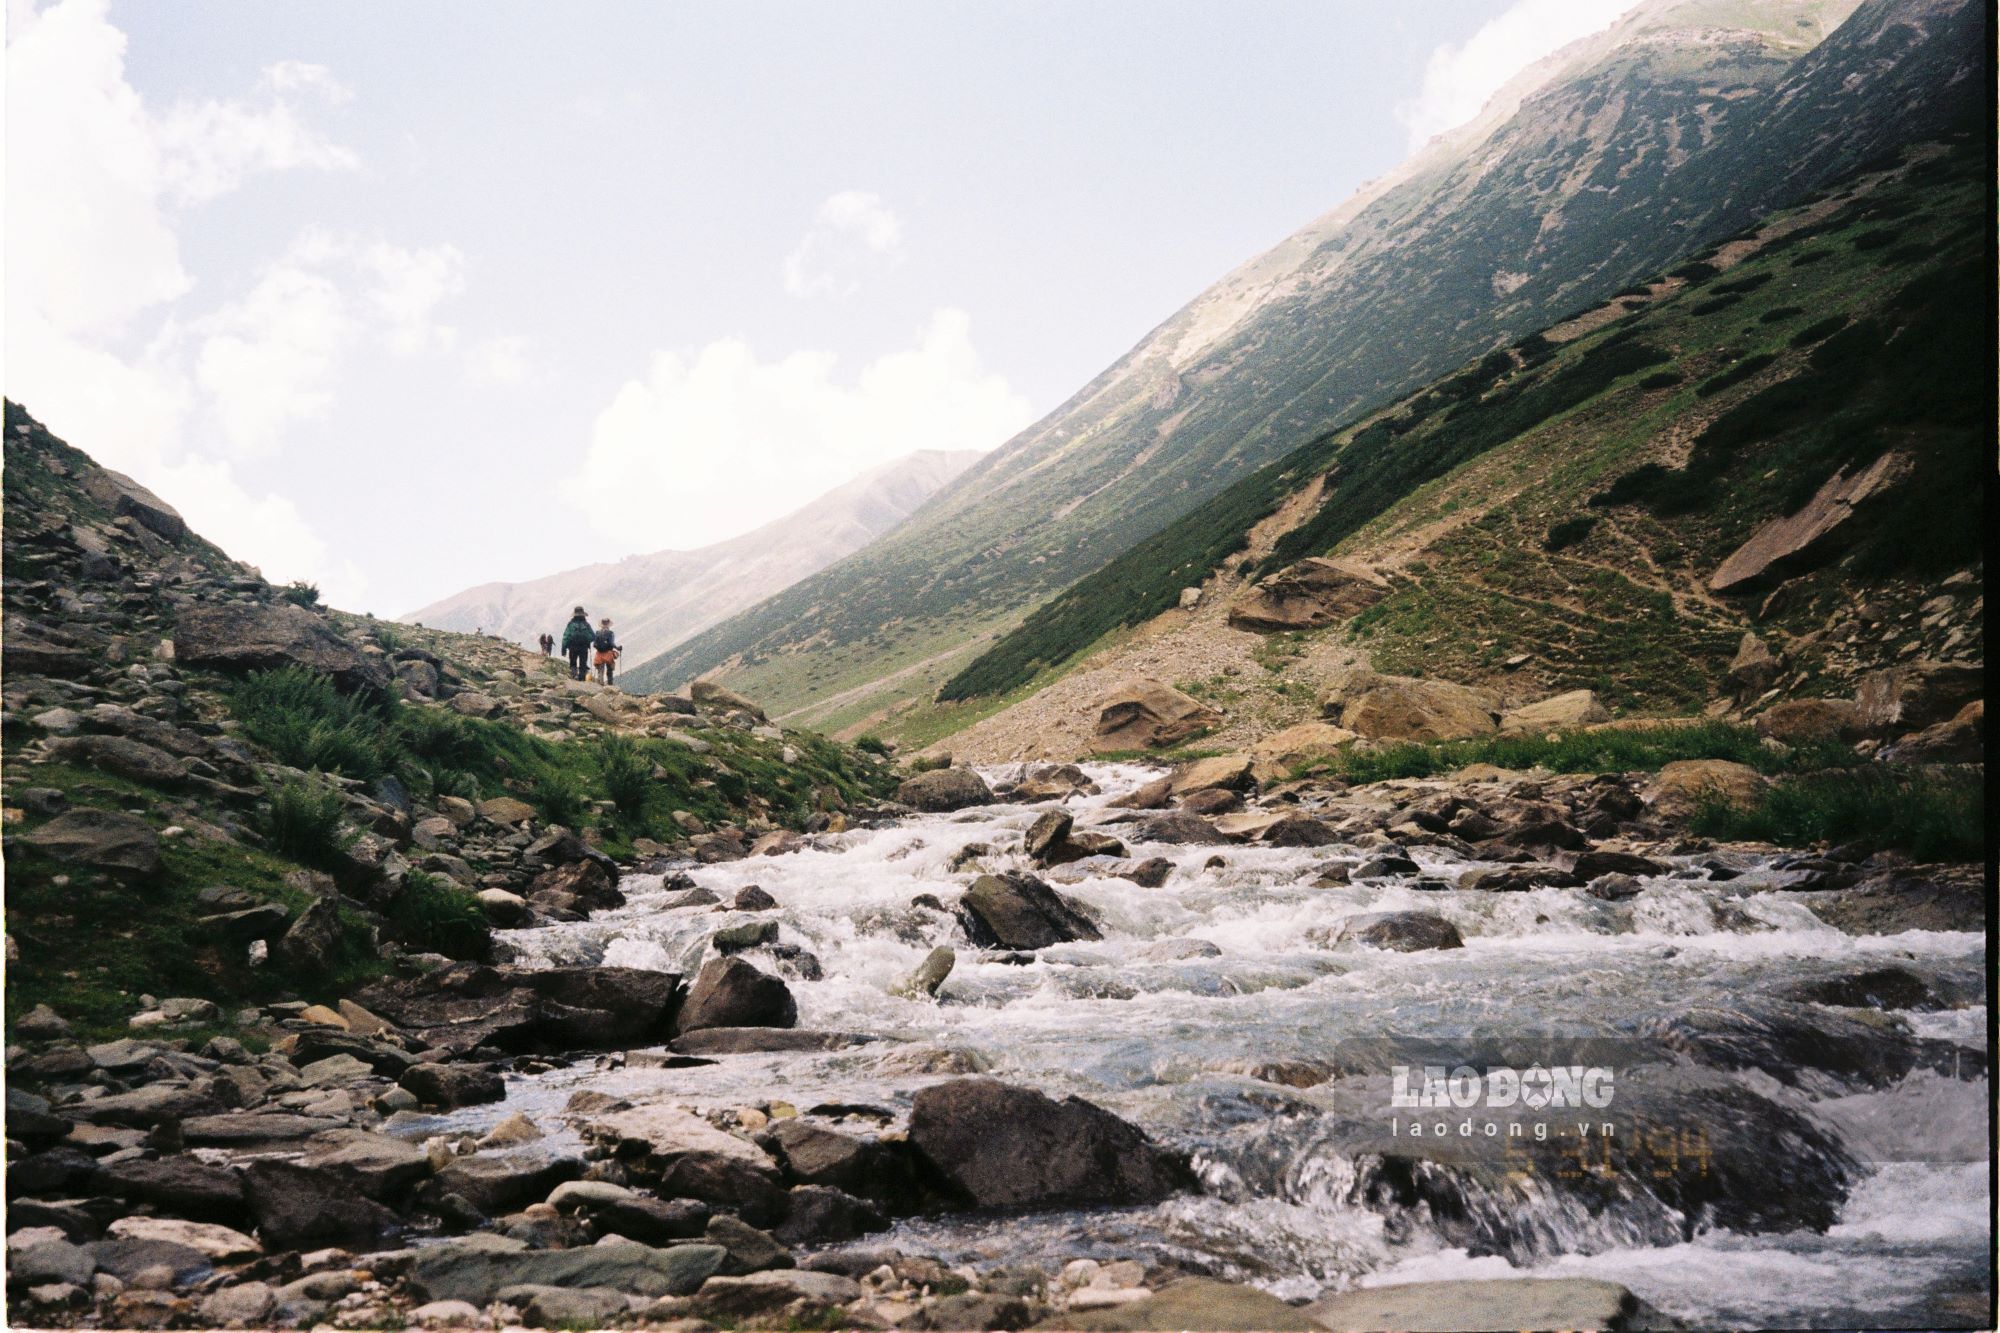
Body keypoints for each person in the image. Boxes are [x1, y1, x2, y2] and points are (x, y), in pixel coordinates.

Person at [560, 606, 593, 681]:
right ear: (583, 615)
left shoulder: (570, 624)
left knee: (573, 663)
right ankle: (582, 678)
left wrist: (563, 648)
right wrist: (587, 640)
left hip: (572, 647)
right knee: (583, 663)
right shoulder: (586, 624)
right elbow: (593, 636)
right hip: (583, 647)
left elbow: (566, 636)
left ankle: (574, 676)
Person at [592, 617, 620, 687]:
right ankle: (610, 684)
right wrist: (617, 648)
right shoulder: (610, 633)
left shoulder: (597, 633)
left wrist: (600, 648)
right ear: (608, 624)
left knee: (600, 671)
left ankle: (600, 685)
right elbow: (611, 643)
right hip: (608, 653)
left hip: (599, 654)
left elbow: (594, 644)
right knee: (609, 670)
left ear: (601, 624)